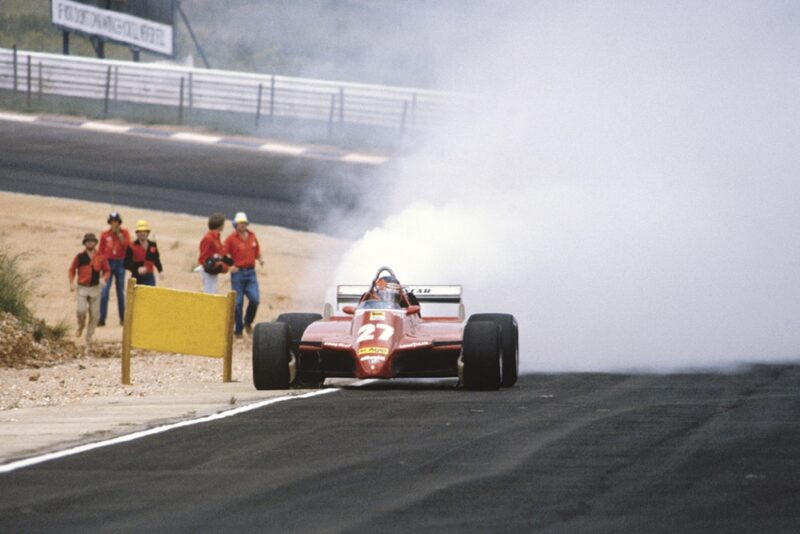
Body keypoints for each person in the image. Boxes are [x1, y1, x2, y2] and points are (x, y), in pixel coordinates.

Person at [225, 212, 264, 337]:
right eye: (240, 223)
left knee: (255, 299)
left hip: (251, 273)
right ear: (235, 224)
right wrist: (230, 266)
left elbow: (257, 251)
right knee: (238, 303)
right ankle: (238, 330)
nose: (242, 225)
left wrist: (260, 259)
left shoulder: (252, 236)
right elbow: (223, 254)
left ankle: (248, 322)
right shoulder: (231, 239)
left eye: (244, 223)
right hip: (238, 274)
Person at [68, 233, 110, 343]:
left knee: (95, 314)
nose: (90, 243)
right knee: (81, 310)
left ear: (95, 242)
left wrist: (104, 279)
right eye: (88, 241)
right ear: (85, 243)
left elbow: (107, 270)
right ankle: (81, 325)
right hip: (82, 287)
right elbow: (72, 270)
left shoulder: (101, 257)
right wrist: (71, 283)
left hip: (95, 288)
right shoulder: (79, 257)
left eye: (92, 241)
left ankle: (89, 335)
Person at [98, 211, 130, 326]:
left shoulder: (124, 233)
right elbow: (100, 251)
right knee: (104, 291)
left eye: (116, 221)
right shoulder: (105, 235)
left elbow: (127, 246)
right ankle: (101, 318)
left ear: (119, 222)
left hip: (120, 263)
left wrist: (119, 235)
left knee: (120, 292)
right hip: (108, 264)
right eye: (112, 222)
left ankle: (122, 318)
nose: (114, 224)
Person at [198, 212, 232, 294]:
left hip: (212, 269)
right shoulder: (209, 238)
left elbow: (220, 253)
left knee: (212, 291)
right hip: (208, 269)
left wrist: (230, 263)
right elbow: (203, 256)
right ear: (220, 225)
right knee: (209, 292)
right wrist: (209, 266)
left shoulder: (216, 237)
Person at [124, 220, 163, 286]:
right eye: (140, 231)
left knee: (150, 295)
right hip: (136, 277)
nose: (142, 233)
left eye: (144, 231)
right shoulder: (131, 246)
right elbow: (126, 263)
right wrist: (137, 269)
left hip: (149, 277)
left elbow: (156, 259)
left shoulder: (152, 245)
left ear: (148, 233)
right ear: (137, 233)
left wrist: (160, 271)